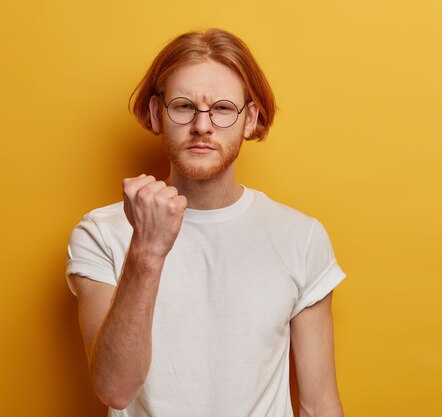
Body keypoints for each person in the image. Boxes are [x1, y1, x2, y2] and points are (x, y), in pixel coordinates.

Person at [66, 28, 345, 417]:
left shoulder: (302, 238)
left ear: (250, 120)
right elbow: (115, 388)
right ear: (155, 114)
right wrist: (146, 250)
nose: (202, 125)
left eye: (222, 108)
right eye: (183, 106)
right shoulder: (101, 234)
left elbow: (319, 405)